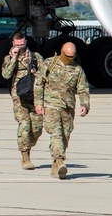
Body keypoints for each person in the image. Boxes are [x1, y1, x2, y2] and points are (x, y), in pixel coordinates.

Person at [34, 41, 90, 179]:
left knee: (65, 135)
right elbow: (39, 84)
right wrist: (38, 103)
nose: (70, 59)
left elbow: (83, 88)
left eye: (72, 56)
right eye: (67, 56)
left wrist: (85, 104)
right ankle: (59, 160)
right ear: (61, 52)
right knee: (56, 133)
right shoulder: (49, 64)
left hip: (68, 107)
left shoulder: (77, 69)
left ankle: (55, 166)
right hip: (51, 105)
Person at [0, 32, 45, 170]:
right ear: (13, 44)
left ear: (26, 42)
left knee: (36, 128)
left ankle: (28, 144)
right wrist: (14, 58)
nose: (20, 47)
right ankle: (25, 156)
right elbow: (6, 75)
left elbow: (44, 76)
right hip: (18, 97)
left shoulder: (36, 57)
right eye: (17, 45)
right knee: (24, 124)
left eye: (22, 44)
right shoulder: (9, 58)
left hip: (34, 95)